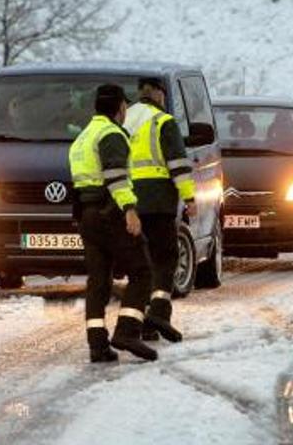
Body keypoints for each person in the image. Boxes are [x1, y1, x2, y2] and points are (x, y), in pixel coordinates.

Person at [68, 83, 158, 363]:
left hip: (87, 215)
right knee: (142, 272)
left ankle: (98, 346)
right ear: (120, 108)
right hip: (111, 212)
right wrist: (129, 210)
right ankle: (127, 332)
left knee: (98, 281)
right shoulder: (111, 134)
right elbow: (117, 177)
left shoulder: (83, 136)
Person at [123, 76, 197, 342]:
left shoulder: (123, 119)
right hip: (158, 201)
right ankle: (159, 316)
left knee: (140, 265)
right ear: (158, 94)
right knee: (165, 259)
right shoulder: (163, 121)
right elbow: (177, 163)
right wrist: (189, 197)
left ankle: (137, 324)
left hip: (127, 202)